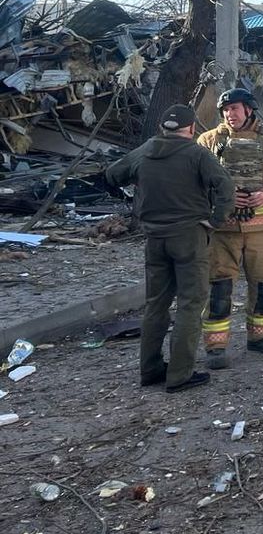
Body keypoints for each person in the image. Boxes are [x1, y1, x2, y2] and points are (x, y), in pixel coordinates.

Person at [105, 104, 234, 393]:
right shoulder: (198, 154)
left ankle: (150, 370)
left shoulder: (145, 151)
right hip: (189, 236)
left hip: (154, 239)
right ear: (191, 129)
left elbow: (112, 175)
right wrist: (214, 220)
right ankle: (179, 375)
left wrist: (135, 192)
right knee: (190, 303)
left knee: (156, 305)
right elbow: (225, 187)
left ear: (163, 127)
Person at [198, 88, 263, 368]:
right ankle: (215, 347)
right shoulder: (207, 141)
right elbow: (196, 179)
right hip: (223, 232)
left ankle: (260, 338)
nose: (231, 114)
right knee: (219, 288)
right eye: (226, 110)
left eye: (235, 109)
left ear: (249, 110)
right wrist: (222, 198)